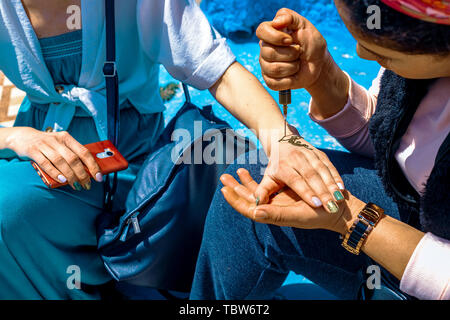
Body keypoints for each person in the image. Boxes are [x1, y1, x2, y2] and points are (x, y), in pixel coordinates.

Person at [0, 0, 345, 299]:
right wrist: (17, 139)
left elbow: (216, 69)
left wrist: (282, 139)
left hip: (127, 154)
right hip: (34, 148)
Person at [190, 0, 450, 300]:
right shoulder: (426, 60)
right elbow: (397, 145)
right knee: (256, 190)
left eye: (385, 55)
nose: (361, 54)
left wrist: (350, 219)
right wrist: (323, 77)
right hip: (415, 210)